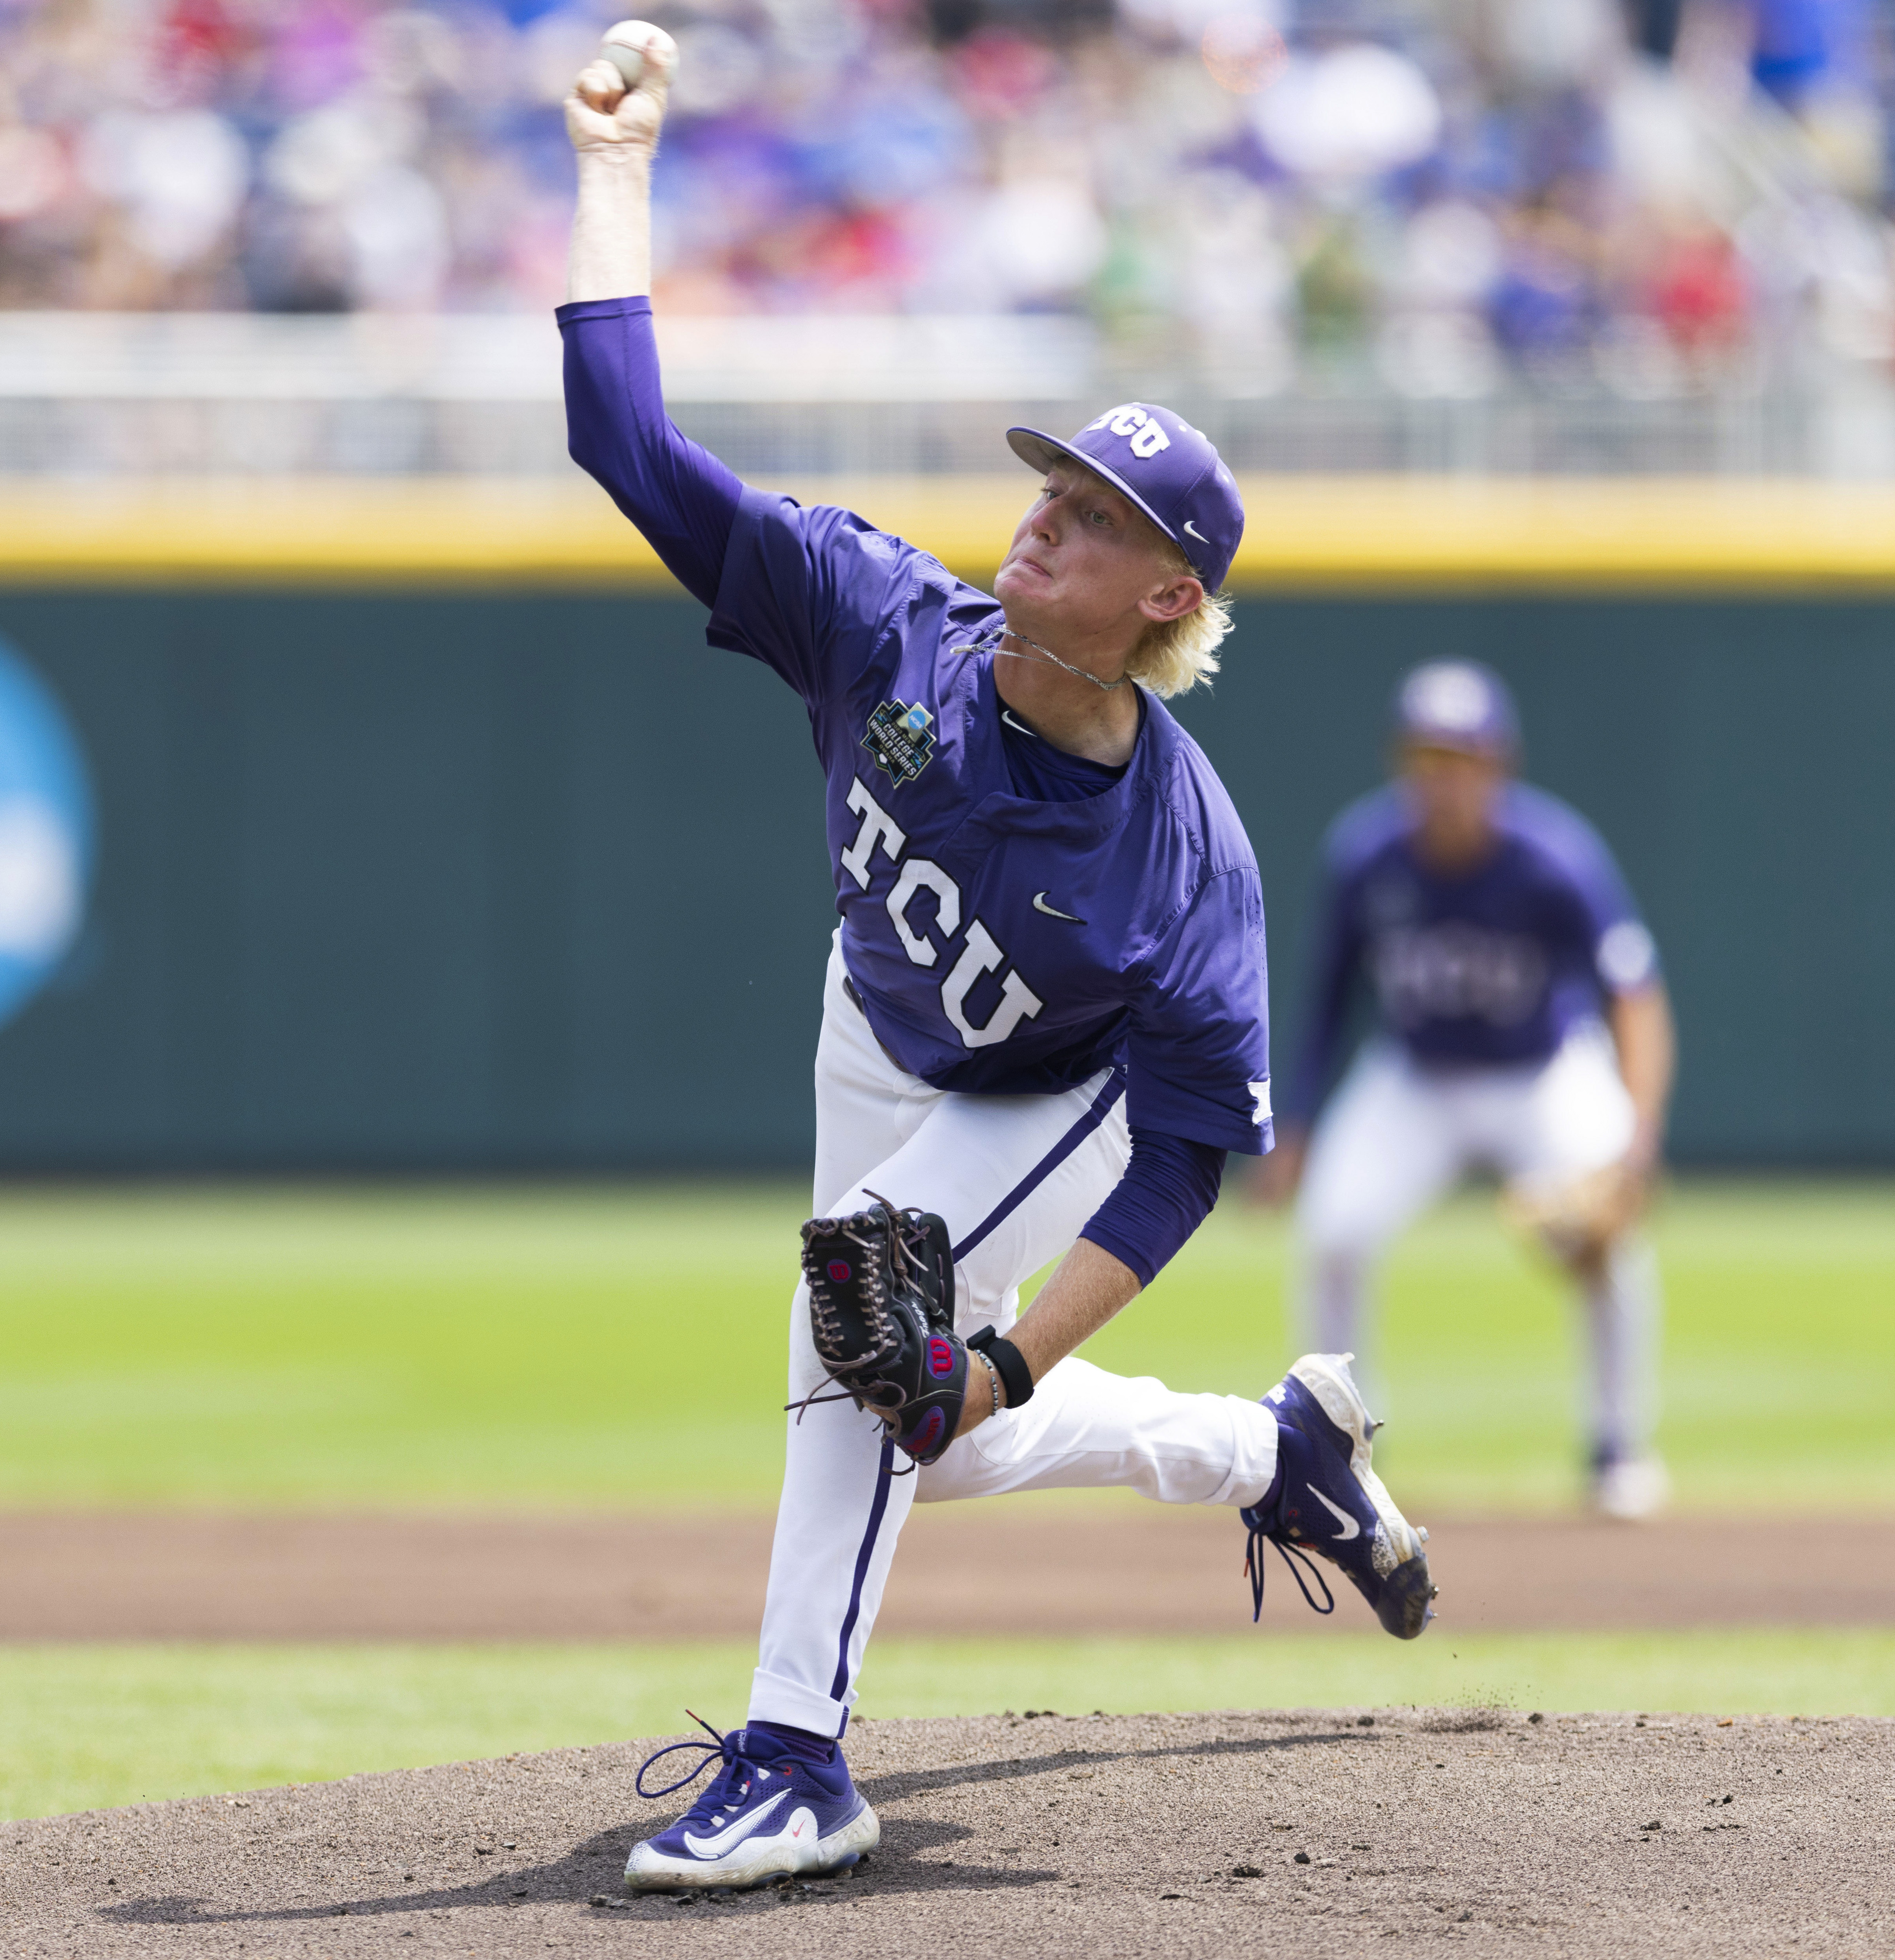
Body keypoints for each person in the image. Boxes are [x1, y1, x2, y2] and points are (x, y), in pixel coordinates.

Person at [559, 22, 1435, 1896]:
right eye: (1054, 483)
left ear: (1167, 598)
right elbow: (620, 443)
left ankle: (800, 1754)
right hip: (873, 1034)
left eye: (1101, 516)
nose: (1048, 509)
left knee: (853, 1332)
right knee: (911, 1436)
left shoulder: (1186, 868)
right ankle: (1269, 1447)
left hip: (1066, 1101)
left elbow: (1193, 1156)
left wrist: (1018, 1359)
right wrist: (614, 176)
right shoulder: (881, 620)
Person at [1251, 661, 1678, 1520]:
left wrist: (1635, 1146)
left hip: (1543, 1072)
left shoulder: (1554, 858)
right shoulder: (1367, 853)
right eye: (1425, 754)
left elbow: (1636, 996)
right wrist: (1291, 1121)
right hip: (1416, 1076)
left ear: (1499, 764)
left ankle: (1617, 1445)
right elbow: (1330, 994)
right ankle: (1336, 1449)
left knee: (1608, 1241)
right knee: (1334, 1231)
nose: (1442, 775)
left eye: (1462, 755)